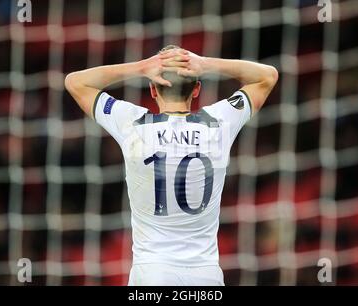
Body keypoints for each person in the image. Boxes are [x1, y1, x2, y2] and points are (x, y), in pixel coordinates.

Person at [65, 45, 278, 286]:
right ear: (197, 89)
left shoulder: (132, 124)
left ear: (153, 89)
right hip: (204, 273)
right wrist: (204, 64)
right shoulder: (219, 122)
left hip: (152, 272)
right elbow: (267, 76)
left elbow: (75, 82)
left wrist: (141, 67)